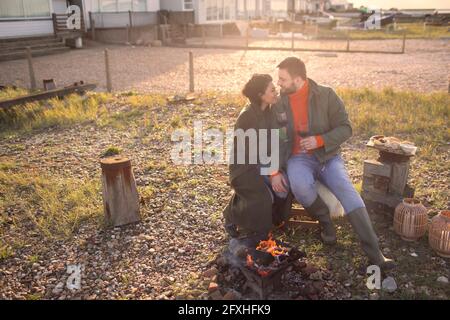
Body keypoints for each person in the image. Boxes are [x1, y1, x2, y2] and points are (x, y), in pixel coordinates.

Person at [271, 57, 394, 269]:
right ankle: (325, 222)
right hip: (298, 158)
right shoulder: (279, 101)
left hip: (327, 156)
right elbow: (274, 135)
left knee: (347, 191)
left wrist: (320, 140)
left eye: (282, 79)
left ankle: (375, 253)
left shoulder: (326, 95)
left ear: (299, 79)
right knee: (299, 185)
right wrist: (275, 170)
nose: (278, 83)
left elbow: (346, 128)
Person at [223, 74, 293, 244]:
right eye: (272, 90)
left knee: (283, 190)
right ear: (261, 95)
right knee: (264, 198)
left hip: (263, 164)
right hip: (245, 168)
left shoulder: (269, 110)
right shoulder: (247, 116)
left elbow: (276, 140)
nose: (276, 92)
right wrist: (273, 172)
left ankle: (274, 220)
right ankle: (233, 216)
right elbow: (253, 152)